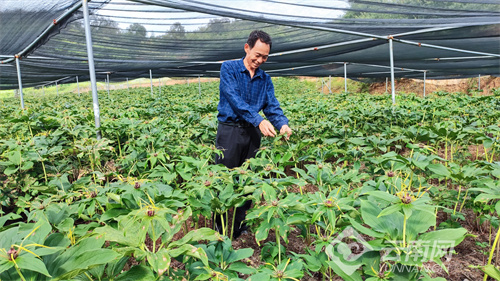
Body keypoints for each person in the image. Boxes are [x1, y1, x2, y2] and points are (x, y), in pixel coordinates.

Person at [214, 30, 292, 238]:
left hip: (252, 134)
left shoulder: (264, 79)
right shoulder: (229, 68)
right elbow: (235, 101)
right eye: (257, 54)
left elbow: (272, 106)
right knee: (223, 179)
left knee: (248, 181)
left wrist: (282, 124)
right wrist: (259, 120)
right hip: (229, 131)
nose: (259, 60)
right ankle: (219, 229)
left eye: (264, 57)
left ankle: (239, 227)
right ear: (247, 48)